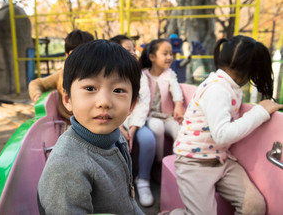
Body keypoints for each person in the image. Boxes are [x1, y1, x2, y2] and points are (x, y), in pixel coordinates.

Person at [171, 35, 283, 215]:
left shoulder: (227, 86)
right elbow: (222, 134)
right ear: (249, 70)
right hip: (194, 162)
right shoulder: (217, 89)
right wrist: (259, 112)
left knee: (254, 206)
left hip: (222, 160)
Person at [37, 39, 145, 214]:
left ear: (132, 105)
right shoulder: (66, 166)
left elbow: (129, 202)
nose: (104, 102)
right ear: (67, 100)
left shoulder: (115, 135)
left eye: (118, 90)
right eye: (90, 88)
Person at [110, 34, 156, 207]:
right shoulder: (109, 74)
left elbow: (143, 103)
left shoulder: (139, 75)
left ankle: (143, 181)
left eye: (133, 49)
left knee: (148, 139)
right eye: (127, 49)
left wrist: (134, 127)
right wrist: (119, 126)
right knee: (113, 143)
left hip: (136, 122)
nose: (133, 53)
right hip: (115, 124)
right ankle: (119, 185)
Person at [28, 29, 94, 124]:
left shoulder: (97, 75)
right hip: (69, 124)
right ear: (67, 55)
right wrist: (37, 96)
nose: (81, 59)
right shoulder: (63, 74)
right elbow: (36, 83)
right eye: (75, 54)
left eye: (86, 54)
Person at [140, 38, 185, 162]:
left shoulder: (170, 74)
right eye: (165, 54)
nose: (169, 57)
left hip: (168, 116)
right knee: (157, 127)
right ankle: (160, 161)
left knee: (179, 130)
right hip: (151, 116)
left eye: (171, 54)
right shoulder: (144, 75)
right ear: (152, 57)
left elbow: (176, 89)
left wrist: (178, 104)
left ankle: (177, 162)